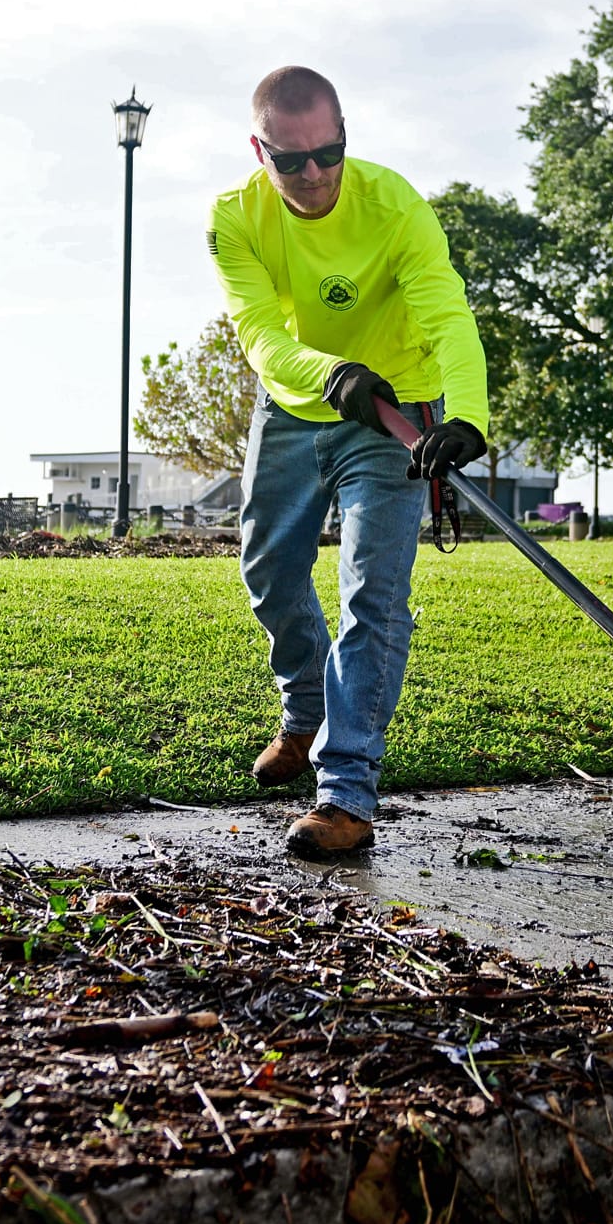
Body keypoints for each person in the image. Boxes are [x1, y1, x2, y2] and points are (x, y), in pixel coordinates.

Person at [207, 65, 490, 857]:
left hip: (396, 414)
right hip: (298, 402)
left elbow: (445, 310)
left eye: (326, 154)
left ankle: (346, 793)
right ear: (259, 150)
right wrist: (328, 372)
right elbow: (260, 332)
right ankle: (305, 709)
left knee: (374, 592)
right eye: (290, 161)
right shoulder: (234, 216)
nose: (313, 175)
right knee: (268, 570)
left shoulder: (394, 205)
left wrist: (467, 415)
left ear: (344, 138)